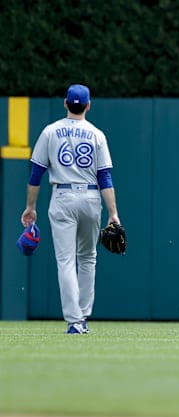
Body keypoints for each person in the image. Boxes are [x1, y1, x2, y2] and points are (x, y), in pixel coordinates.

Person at [20, 84, 121, 334]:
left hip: (62, 195)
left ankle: (74, 321)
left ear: (65, 103)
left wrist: (30, 207)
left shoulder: (50, 131)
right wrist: (113, 213)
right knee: (88, 257)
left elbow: (36, 173)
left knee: (65, 261)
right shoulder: (97, 134)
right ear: (88, 105)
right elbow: (105, 177)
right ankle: (83, 316)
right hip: (90, 197)